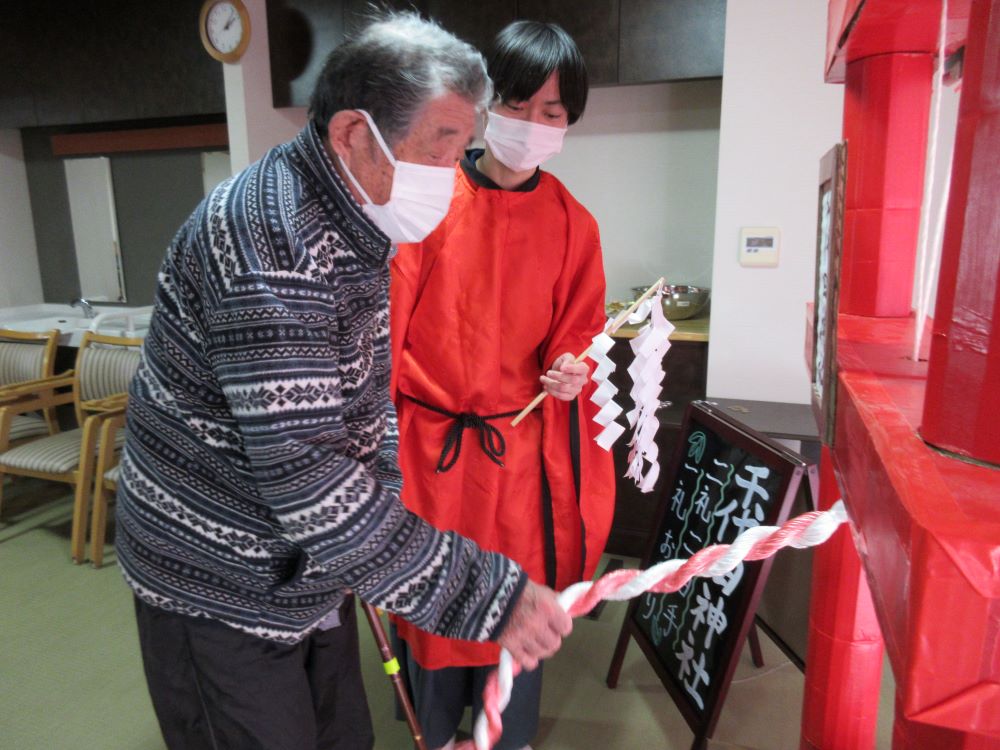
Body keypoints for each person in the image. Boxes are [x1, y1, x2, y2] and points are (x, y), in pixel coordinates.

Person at [114, 12, 573, 750]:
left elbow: (356, 405)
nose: (455, 170)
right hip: (216, 573)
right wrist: (489, 594)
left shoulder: (357, 218)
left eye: (463, 144)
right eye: (441, 145)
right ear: (355, 135)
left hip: (301, 561)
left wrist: (370, 546)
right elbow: (307, 474)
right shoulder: (267, 238)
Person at [389, 20, 616, 750]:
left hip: (517, 453)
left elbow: (579, 331)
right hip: (429, 449)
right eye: (518, 105)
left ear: (568, 122)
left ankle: (504, 734)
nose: (532, 124)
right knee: (432, 594)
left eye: (552, 113)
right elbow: (385, 330)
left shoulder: (573, 223)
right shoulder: (428, 201)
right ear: (487, 105)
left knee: (512, 594)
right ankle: (431, 726)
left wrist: (573, 367)